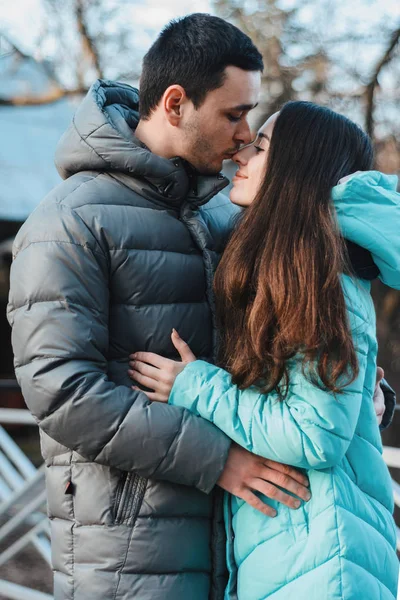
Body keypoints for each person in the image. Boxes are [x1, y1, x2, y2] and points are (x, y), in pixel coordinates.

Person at [7, 15, 318, 600]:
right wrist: (217, 457)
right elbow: (61, 388)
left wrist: (354, 386)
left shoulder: (228, 214)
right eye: (233, 114)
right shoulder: (68, 221)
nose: (247, 134)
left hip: (247, 544)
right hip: (128, 552)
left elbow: (282, 350)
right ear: (175, 103)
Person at [128, 102, 400, 599]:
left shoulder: (313, 276)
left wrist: (196, 387)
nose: (241, 154)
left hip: (321, 563)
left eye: (263, 146)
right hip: (305, 548)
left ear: (299, 167)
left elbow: (313, 436)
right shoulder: (299, 265)